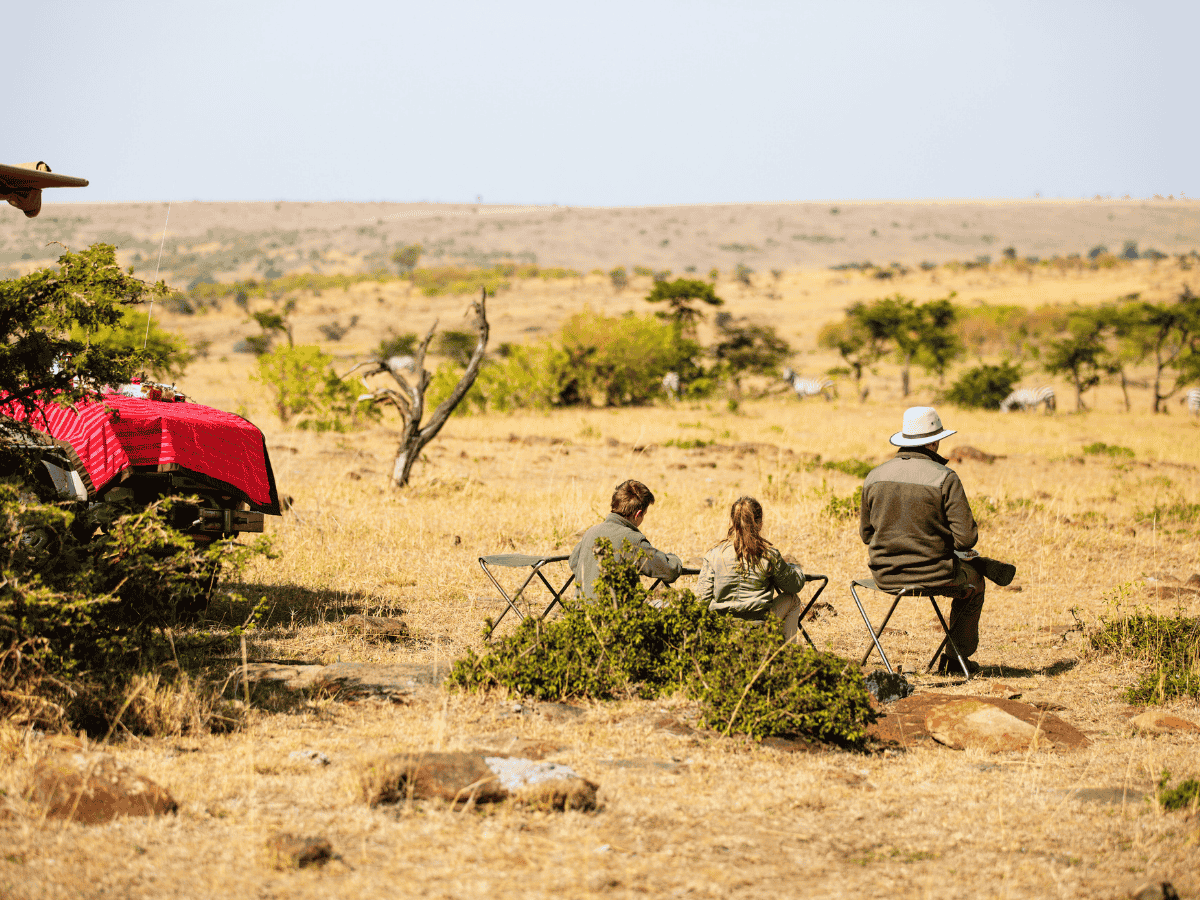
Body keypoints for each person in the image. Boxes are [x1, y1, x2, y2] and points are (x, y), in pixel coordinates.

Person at [859, 406, 986, 674]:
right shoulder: (945, 477)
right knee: (976, 580)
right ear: (933, 441)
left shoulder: (874, 476)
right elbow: (967, 539)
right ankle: (955, 660)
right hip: (935, 575)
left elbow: (866, 535)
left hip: (886, 576)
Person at [697, 496, 806, 640]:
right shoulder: (769, 555)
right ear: (760, 524)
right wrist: (794, 568)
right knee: (792, 599)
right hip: (758, 629)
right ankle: (787, 656)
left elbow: (701, 599)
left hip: (722, 629)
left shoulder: (714, 554)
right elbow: (794, 585)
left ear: (731, 522)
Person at [569, 479, 683, 600]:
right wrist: (673, 558)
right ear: (637, 514)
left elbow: (573, 561)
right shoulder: (633, 540)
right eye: (644, 514)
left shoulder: (590, 532)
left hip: (581, 613)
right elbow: (669, 571)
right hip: (617, 615)